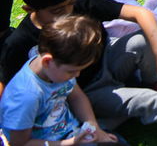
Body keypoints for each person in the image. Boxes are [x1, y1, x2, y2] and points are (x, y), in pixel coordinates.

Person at [1, 0, 157, 130]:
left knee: (143, 40)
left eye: (70, 3)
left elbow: (141, 14)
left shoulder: (82, 4)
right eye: (57, 10)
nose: (68, 12)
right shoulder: (20, 43)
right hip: (85, 93)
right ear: (29, 9)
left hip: (109, 63)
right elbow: (9, 89)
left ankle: (150, 85)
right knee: (148, 101)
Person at [0, 15, 120, 145]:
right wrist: (71, 142)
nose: (77, 75)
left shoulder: (54, 69)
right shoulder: (26, 96)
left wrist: (92, 124)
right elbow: (21, 143)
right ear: (47, 61)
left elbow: (77, 97)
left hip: (69, 131)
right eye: (72, 71)